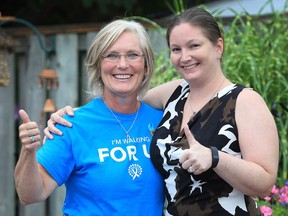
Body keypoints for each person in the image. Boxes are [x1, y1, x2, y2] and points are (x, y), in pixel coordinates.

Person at [44, 7, 279, 216]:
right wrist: (74, 115)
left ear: (218, 46)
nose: (185, 57)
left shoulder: (244, 101)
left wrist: (215, 157)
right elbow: (120, 100)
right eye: (176, 49)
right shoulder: (175, 93)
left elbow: (265, 183)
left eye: (194, 46)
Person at [15, 19, 165, 216]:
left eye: (133, 55)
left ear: (146, 65)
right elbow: (30, 194)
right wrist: (28, 152)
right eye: (111, 55)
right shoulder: (71, 124)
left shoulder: (165, 121)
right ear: (98, 65)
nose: (122, 64)